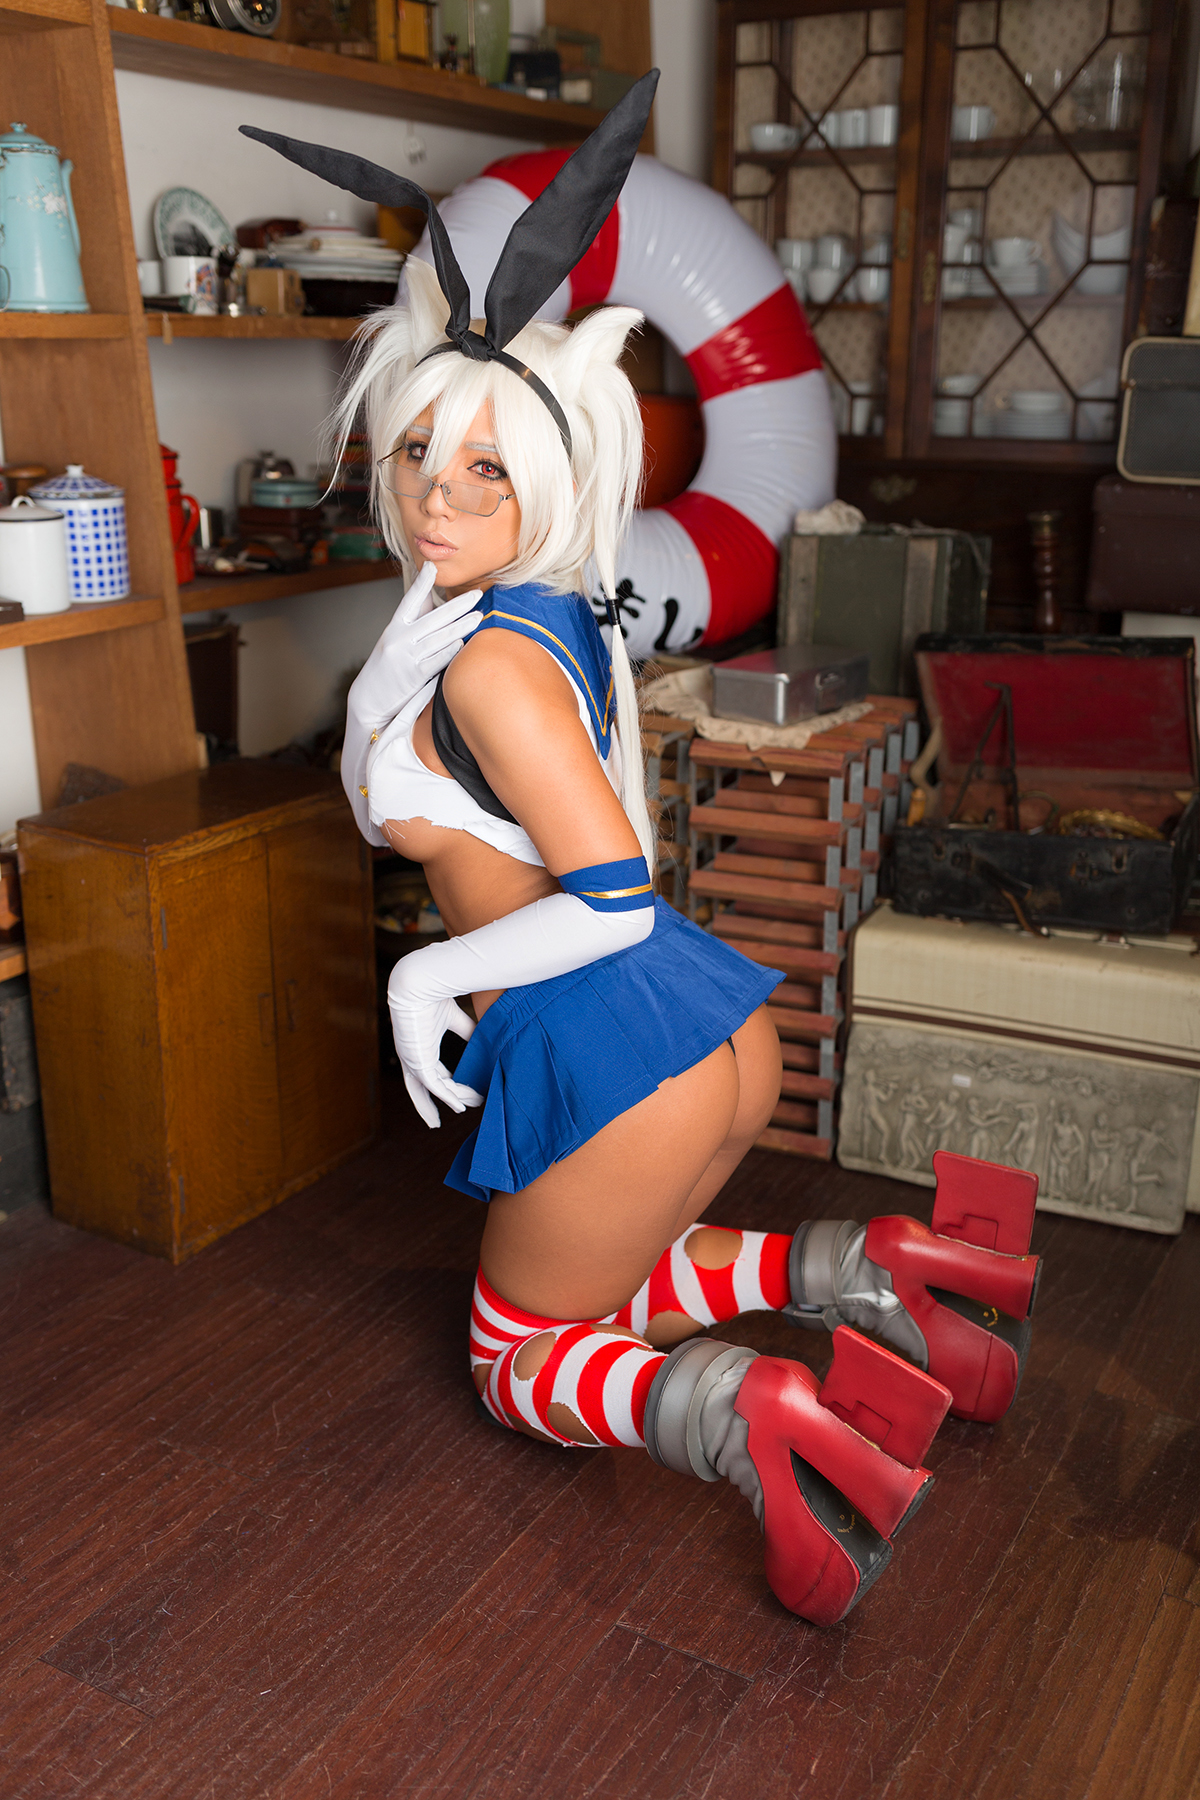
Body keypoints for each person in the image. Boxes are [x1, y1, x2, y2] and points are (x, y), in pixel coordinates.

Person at [243, 77, 1043, 1627]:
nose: (436, 497)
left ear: (548, 478)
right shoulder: (542, 616)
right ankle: (901, 1274)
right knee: (623, 1275)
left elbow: (609, 899)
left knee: (519, 1359)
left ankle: (753, 1417)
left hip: (608, 1028)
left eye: (486, 471)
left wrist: (422, 983)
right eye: (418, 454)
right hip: (700, 1024)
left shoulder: (488, 663)